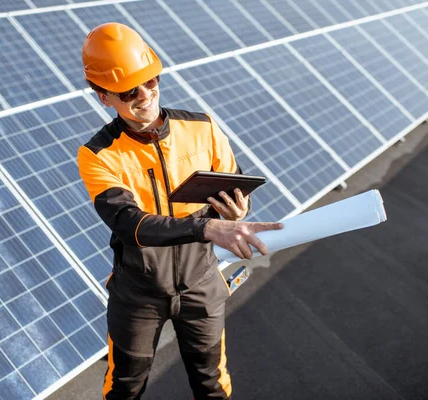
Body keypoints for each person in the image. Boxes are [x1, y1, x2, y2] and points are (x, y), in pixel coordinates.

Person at [77, 22, 284, 400]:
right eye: (128, 91)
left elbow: (235, 184)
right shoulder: (97, 154)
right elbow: (129, 223)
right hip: (138, 294)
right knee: (124, 387)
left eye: (151, 81)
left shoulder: (202, 127)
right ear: (104, 96)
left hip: (202, 283)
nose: (145, 95)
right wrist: (208, 229)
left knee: (211, 382)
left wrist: (238, 209)